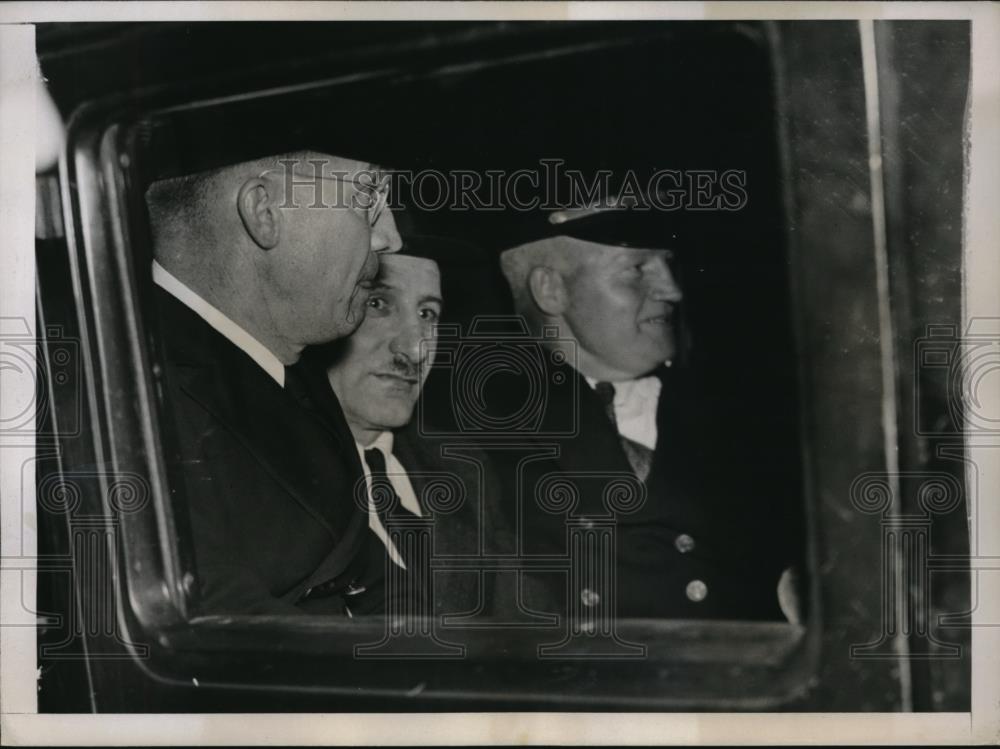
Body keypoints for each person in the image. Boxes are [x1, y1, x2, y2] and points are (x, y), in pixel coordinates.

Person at [493, 201, 794, 621]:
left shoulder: (760, 417)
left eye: (667, 265)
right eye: (636, 269)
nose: (672, 290)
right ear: (550, 289)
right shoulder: (474, 431)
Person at [145, 150, 402, 615]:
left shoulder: (288, 356)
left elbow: (377, 580)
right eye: (368, 199)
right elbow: (225, 634)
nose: (390, 238)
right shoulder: (124, 391)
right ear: (263, 213)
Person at [320, 233, 513, 620]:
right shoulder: (267, 476)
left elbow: (526, 629)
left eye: (427, 314)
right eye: (377, 304)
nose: (414, 349)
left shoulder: (463, 471)